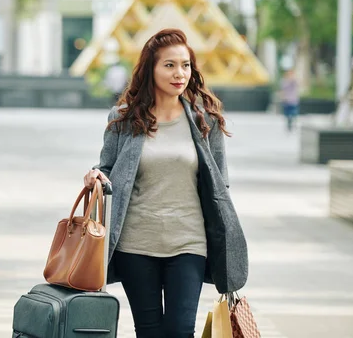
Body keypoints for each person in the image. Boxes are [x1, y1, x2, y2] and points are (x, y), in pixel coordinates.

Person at [83, 28, 248, 337]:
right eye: (169, 65)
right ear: (151, 69)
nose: (179, 73)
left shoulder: (205, 120)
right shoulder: (124, 118)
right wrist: (95, 175)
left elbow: (219, 186)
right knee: (148, 331)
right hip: (136, 243)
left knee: (180, 330)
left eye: (185, 65)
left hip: (188, 242)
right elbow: (107, 167)